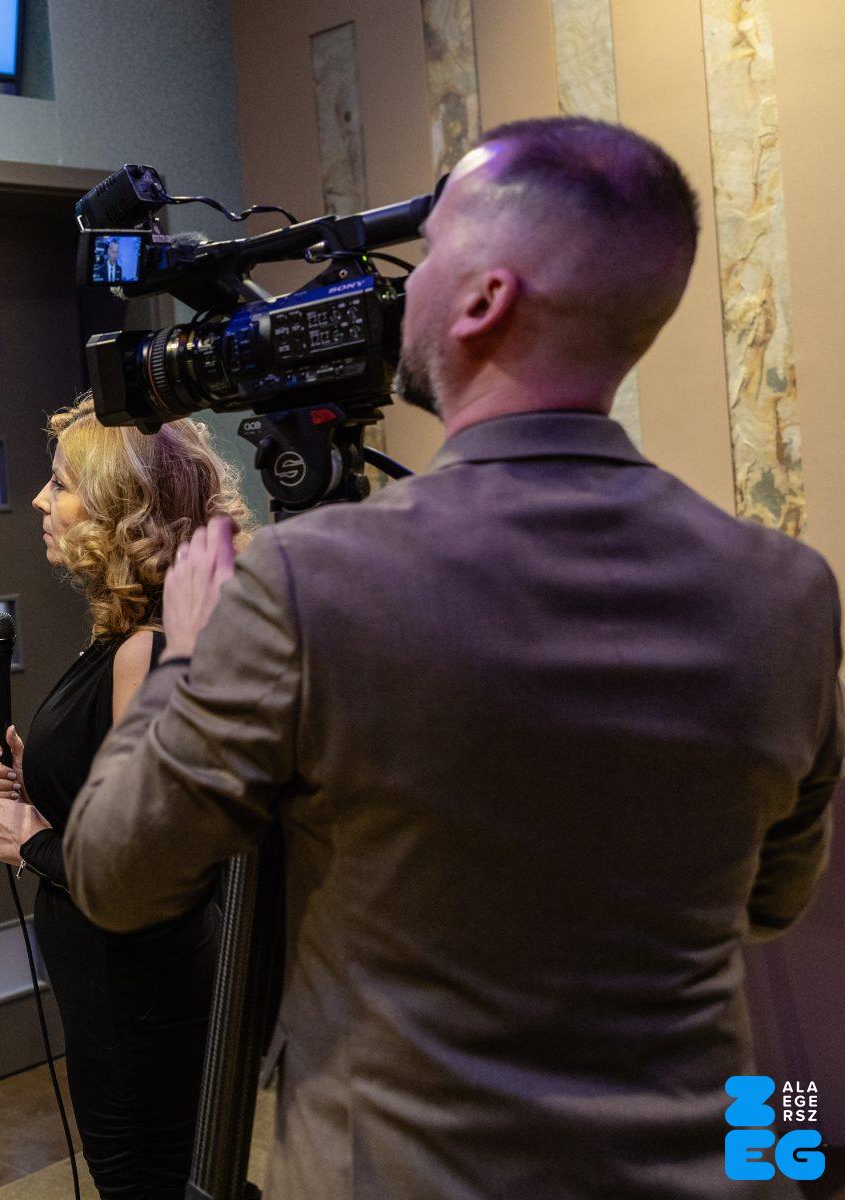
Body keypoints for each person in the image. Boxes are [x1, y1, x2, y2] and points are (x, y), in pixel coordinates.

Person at [63, 117, 840, 1199]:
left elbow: (115, 876)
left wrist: (187, 658)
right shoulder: (789, 593)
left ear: (483, 301)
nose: (401, 290)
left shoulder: (311, 582)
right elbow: (768, 900)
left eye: (426, 260)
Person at [0, 394, 253, 1199]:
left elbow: (154, 867)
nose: (39, 501)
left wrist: (32, 840)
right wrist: (41, 778)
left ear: (118, 511)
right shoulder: (128, 635)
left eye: (61, 485)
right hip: (115, 990)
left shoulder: (148, 651)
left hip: (142, 997)